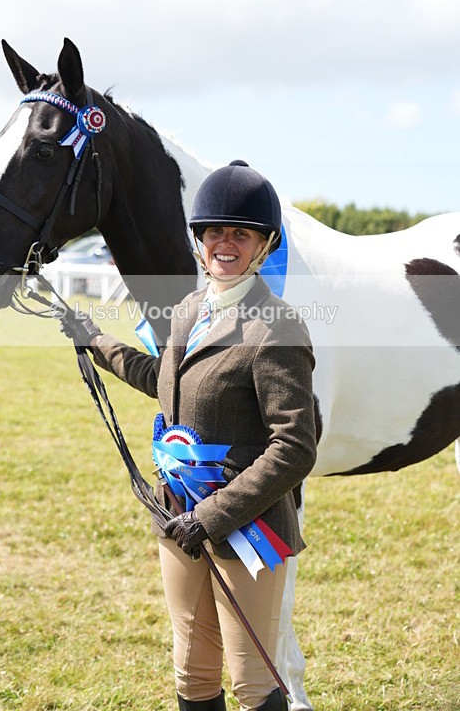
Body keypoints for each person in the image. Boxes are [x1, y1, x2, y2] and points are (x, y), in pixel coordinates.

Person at [64, 161, 317, 711]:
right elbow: (168, 384)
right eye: (214, 232)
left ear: (263, 244)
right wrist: (96, 341)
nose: (225, 243)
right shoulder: (186, 312)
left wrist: (212, 517)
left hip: (244, 529)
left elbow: (295, 447)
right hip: (177, 513)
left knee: (253, 683)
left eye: (240, 233)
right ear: (199, 242)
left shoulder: (276, 327)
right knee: (193, 674)